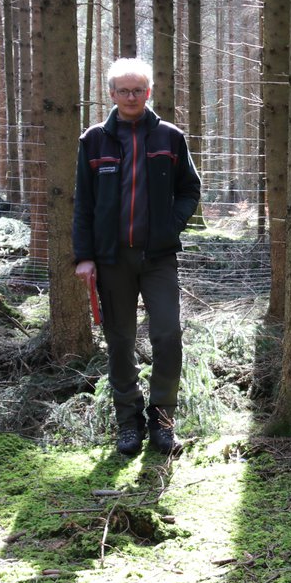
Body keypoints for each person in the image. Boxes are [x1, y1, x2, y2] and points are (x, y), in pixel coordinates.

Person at [73, 58, 202, 458]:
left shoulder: (170, 137)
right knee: (120, 342)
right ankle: (127, 423)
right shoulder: (93, 141)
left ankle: (162, 422)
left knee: (167, 335)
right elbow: (83, 205)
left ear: (149, 93)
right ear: (111, 94)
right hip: (112, 260)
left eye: (138, 90)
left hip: (159, 258)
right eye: (123, 90)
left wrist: (169, 227)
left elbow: (190, 189)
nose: (131, 97)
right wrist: (85, 257)